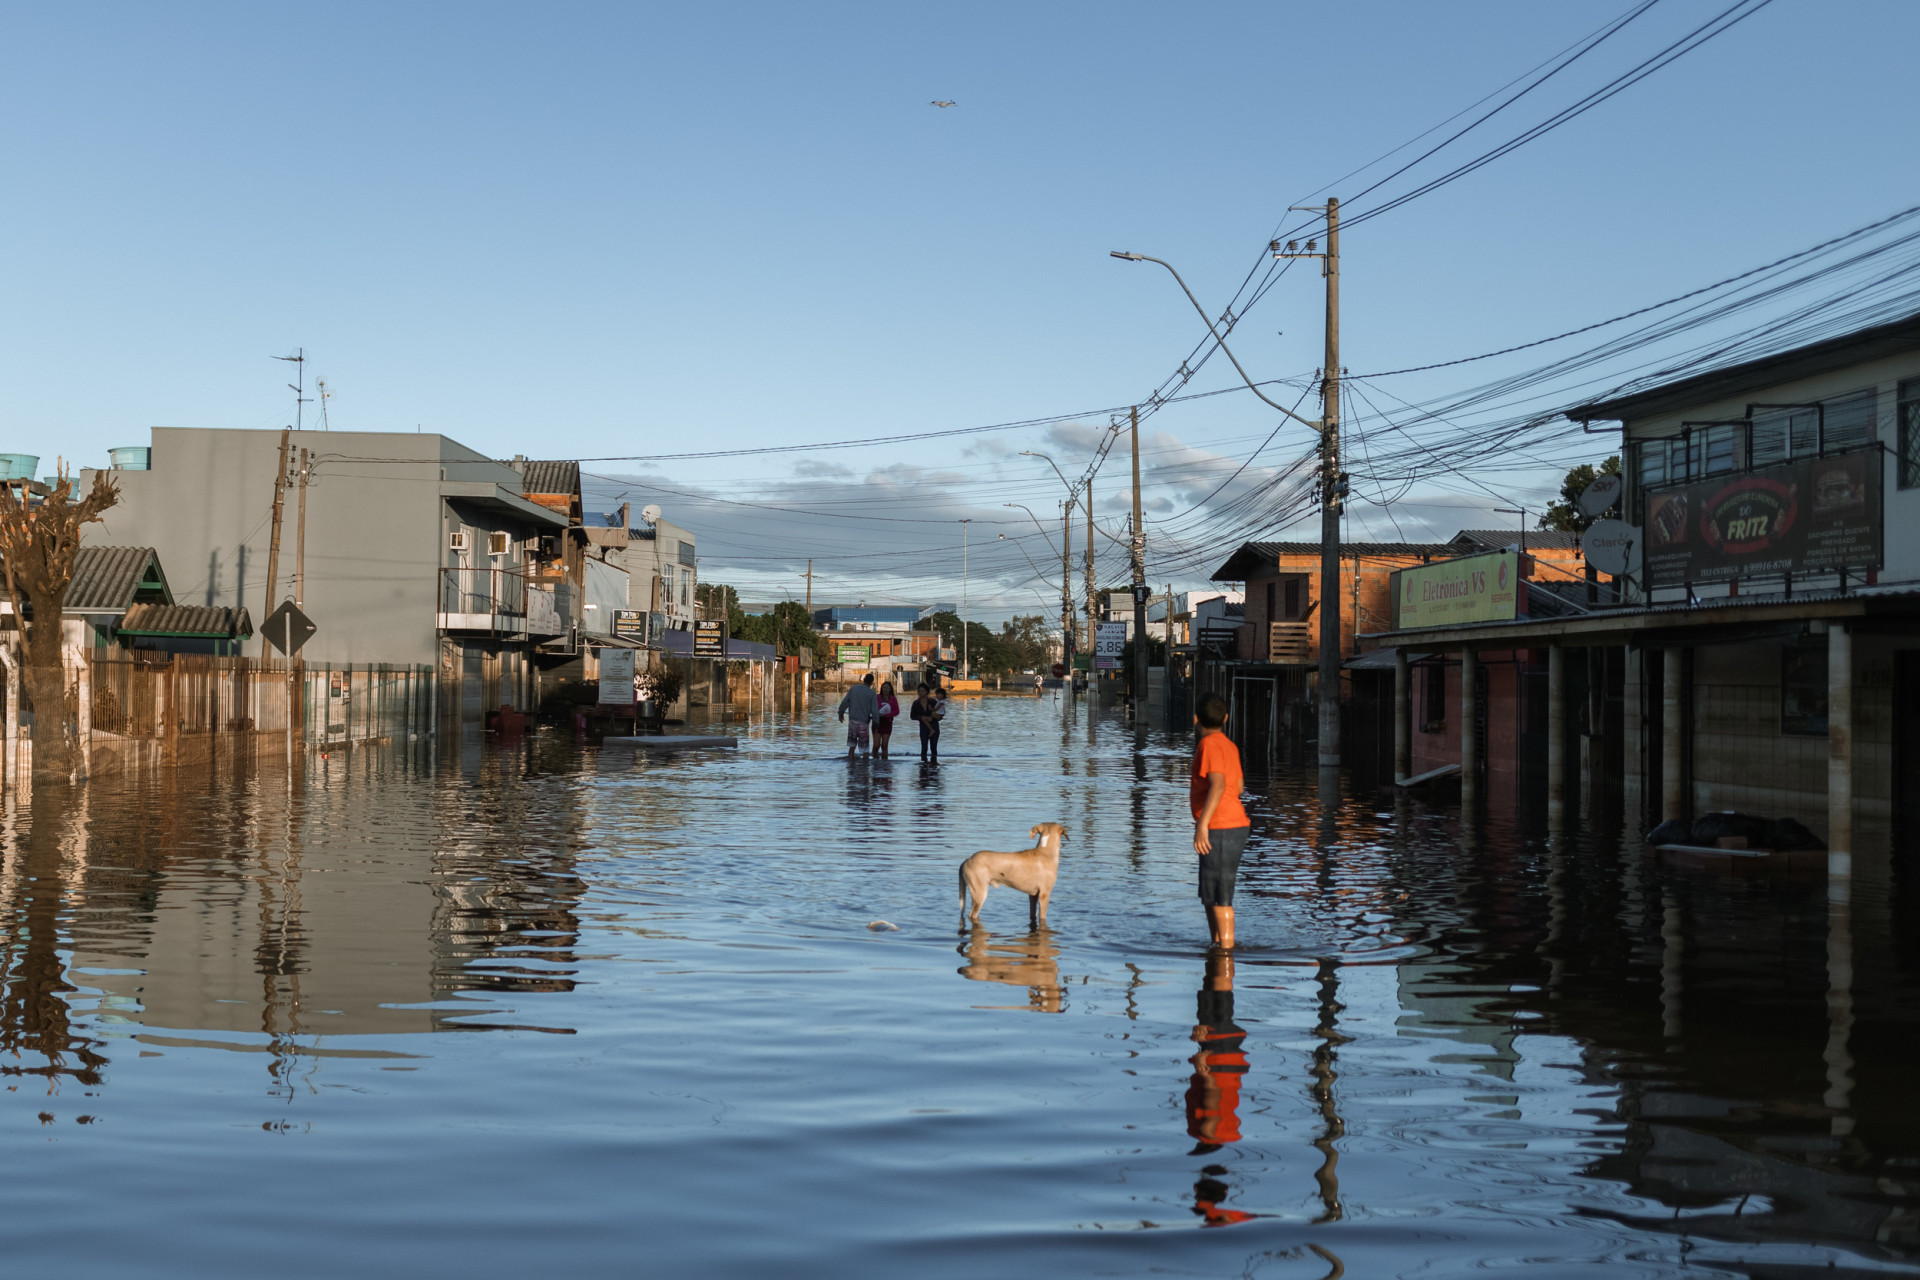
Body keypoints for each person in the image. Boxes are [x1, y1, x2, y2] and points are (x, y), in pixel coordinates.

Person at [1190, 693, 1250, 949]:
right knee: (1210, 894)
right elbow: (1238, 787)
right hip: (1233, 826)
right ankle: (1217, 945)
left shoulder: (1209, 745)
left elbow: (1219, 785)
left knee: (1221, 895)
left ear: (1196, 719)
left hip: (1220, 827)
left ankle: (1225, 954)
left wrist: (1202, 824)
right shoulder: (1229, 745)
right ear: (1226, 718)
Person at [837, 672, 878, 757]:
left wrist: (840, 713)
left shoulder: (854, 689)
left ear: (864, 680)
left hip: (852, 722)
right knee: (865, 749)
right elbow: (874, 711)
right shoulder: (872, 693)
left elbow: (845, 702)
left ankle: (851, 767)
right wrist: (876, 723)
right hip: (864, 723)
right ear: (871, 682)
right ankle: (865, 767)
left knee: (852, 747)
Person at [910, 682, 940, 762]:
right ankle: (923, 764)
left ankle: (934, 765)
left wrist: (932, 718)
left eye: (923, 691)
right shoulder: (916, 703)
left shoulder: (933, 702)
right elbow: (912, 716)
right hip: (923, 727)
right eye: (919, 691)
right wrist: (920, 717)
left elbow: (941, 714)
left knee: (933, 746)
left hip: (934, 726)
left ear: (927, 692)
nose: (921, 693)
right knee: (924, 746)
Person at [873, 681, 900, 758]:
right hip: (877, 722)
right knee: (876, 745)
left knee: (884, 745)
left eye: (888, 688)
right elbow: (871, 708)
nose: (886, 689)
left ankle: (885, 763)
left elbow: (897, 711)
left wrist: (887, 715)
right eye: (884, 687)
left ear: (890, 689)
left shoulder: (893, 699)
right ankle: (875, 761)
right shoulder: (877, 697)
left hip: (887, 722)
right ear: (881, 689)